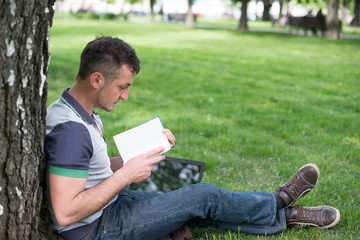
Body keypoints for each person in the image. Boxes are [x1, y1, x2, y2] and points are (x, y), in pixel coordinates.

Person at [45, 36, 340, 240]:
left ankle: (287, 217)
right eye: (122, 86)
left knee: (194, 206)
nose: (125, 95)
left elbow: (86, 170)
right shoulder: (71, 130)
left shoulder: (78, 110)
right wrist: (126, 177)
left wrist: (135, 157)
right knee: (203, 196)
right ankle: (280, 201)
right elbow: (66, 212)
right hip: (95, 230)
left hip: (106, 210)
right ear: (97, 79)